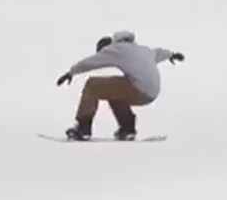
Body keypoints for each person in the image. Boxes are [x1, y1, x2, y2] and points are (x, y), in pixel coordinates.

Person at [54, 30, 184, 141]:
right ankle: (127, 129)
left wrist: (71, 72)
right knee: (113, 91)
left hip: (139, 89)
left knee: (92, 85)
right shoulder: (143, 49)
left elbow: (90, 62)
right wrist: (172, 55)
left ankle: (83, 127)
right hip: (151, 93)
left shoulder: (116, 49)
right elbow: (159, 53)